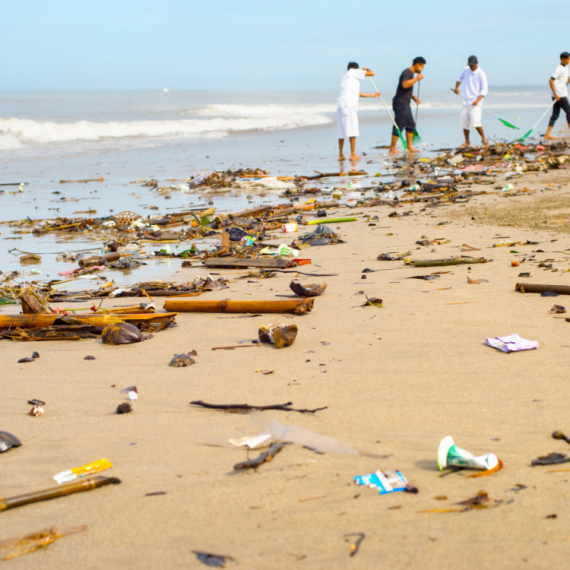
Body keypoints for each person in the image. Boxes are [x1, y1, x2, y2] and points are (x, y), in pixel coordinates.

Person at [337, 62, 379, 161]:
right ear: (356, 68)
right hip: (349, 104)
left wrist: (373, 95)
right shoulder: (354, 72)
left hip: (340, 105)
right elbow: (372, 73)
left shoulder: (345, 77)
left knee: (341, 131)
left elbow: (356, 93)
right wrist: (366, 69)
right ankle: (353, 154)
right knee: (352, 129)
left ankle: (341, 155)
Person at [388, 57, 425, 155]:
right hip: (400, 102)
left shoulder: (411, 74)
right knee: (399, 125)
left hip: (406, 102)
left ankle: (409, 147)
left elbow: (405, 89)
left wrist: (413, 97)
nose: (422, 69)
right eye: (422, 67)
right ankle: (392, 148)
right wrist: (417, 78)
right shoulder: (407, 72)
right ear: (418, 64)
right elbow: (404, 85)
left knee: (411, 124)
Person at [454, 55, 488, 147]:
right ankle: (467, 142)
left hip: (476, 101)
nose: (471, 67)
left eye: (473, 65)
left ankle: (484, 140)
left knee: (475, 121)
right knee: (464, 121)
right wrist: (456, 88)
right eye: (470, 65)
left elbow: (484, 89)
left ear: (477, 64)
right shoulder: (466, 70)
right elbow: (459, 79)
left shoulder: (481, 73)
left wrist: (477, 100)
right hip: (466, 100)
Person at [545, 51, 570, 139]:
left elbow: (565, 80)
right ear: (562, 59)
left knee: (555, 114)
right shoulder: (558, 68)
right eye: (567, 59)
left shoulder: (566, 67)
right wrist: (555, 93)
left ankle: (547, 134)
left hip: (561, 93)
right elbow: (551, 80)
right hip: (559, 95)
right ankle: (547, 134)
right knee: (569, 112)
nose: (569, 61)